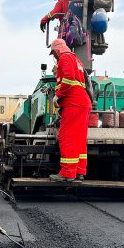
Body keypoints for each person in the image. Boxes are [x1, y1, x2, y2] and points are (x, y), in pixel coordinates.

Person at [48, 39, 91, 182]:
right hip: (83, 102)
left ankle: (67, 173)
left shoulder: (65, 58)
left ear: (57, 50)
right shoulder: (77, 60)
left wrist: (58, 96)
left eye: (53, 53)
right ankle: (79, 171)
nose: (54, 56)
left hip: (74, 102)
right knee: (79, 138)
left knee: (66, 137)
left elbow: (68, 78)